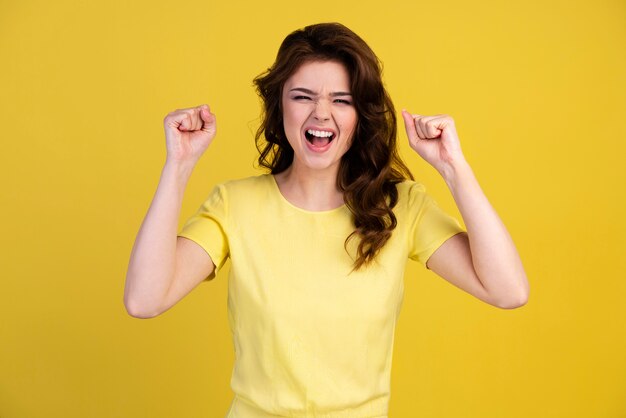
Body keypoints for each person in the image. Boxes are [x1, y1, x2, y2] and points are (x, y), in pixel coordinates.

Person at [124, 22, 529, 418]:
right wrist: (178, 165)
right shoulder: (235, 204)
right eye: (302, 97)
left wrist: (453, 168)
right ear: (279, 105)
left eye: (342, 100)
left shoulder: (400, 207)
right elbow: (144, 299)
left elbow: (508, 290)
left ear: (360, 113)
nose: (321, 114)